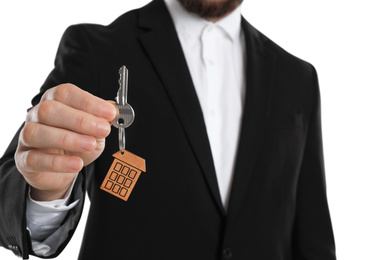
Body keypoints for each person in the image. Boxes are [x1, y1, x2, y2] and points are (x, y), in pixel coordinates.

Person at [0, 0, 336, 259]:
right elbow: (11, 186)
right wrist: (45, 193)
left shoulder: (298, 78)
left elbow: (313, 235)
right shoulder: (98, 50)